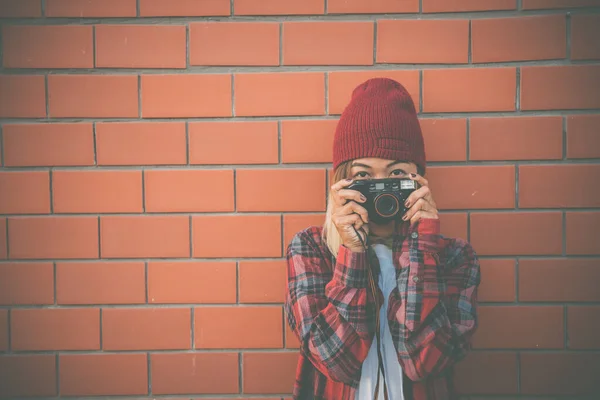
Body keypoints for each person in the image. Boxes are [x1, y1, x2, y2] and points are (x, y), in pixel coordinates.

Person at [284, 78, 481, 400]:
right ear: (340, 183)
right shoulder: (311, 248)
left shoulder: (455, 255)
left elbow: (425, 362)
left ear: (420, 180)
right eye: (363, 176)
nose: (383, 189)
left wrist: (423, 246)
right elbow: (335, 361)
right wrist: (352, 251)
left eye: (397, 174)